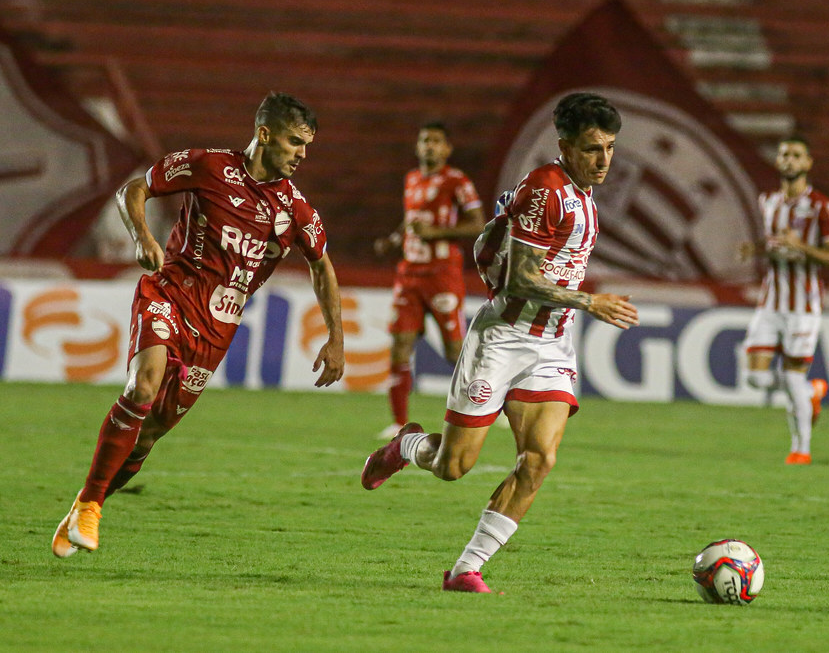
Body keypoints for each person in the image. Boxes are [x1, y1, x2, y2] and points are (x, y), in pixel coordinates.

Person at [360, 92, 639, 593]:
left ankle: (467, 569)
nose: (604, 160)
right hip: (504, 338)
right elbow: (519, 280)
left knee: (540, 459)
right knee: (453, 466)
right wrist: (589, 301)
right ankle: (405, 444)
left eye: (611, 148)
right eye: (593, 149)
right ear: (565, 145)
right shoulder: (545, 190)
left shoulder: (583, 193)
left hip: (551, 345)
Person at [52, 92, 347, 558]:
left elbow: (321, 266)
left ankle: (86, 506)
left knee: (149, 434)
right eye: (295, 142)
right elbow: (136, 188)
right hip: (169, 293)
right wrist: (142, 235)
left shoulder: (295, 210)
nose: (302, 154)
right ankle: (90, 504)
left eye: (307, 145)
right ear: (265, 135)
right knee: (142, 387)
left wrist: (336, 337)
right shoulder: (209, 166)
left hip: (216, 329)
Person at [373, 122, 485, 440]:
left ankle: (487, 403)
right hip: (409, 274)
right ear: (417, 146)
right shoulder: (411, 179)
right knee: (400, 346)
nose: (430, 146)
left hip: (442, 275)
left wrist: (436, 233)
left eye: (436, 141)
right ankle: (399, 422)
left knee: (453, 350)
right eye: (425, 141)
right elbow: (412, 219)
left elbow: (477, 224)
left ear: (447, 149)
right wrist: (394, 240)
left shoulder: (456, 181)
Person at [738, 134, 829, 465]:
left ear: (808, 163)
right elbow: (775, 242)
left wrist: (802, 248)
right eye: (784, 155)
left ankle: (801, 449)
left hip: (804, 307)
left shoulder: (821, 206)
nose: (789, 160)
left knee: (792, 377)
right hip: (770, 302)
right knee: (756, 377)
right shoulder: (767, 201)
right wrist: (754, 250)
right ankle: (811, 394)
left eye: (797, 155)